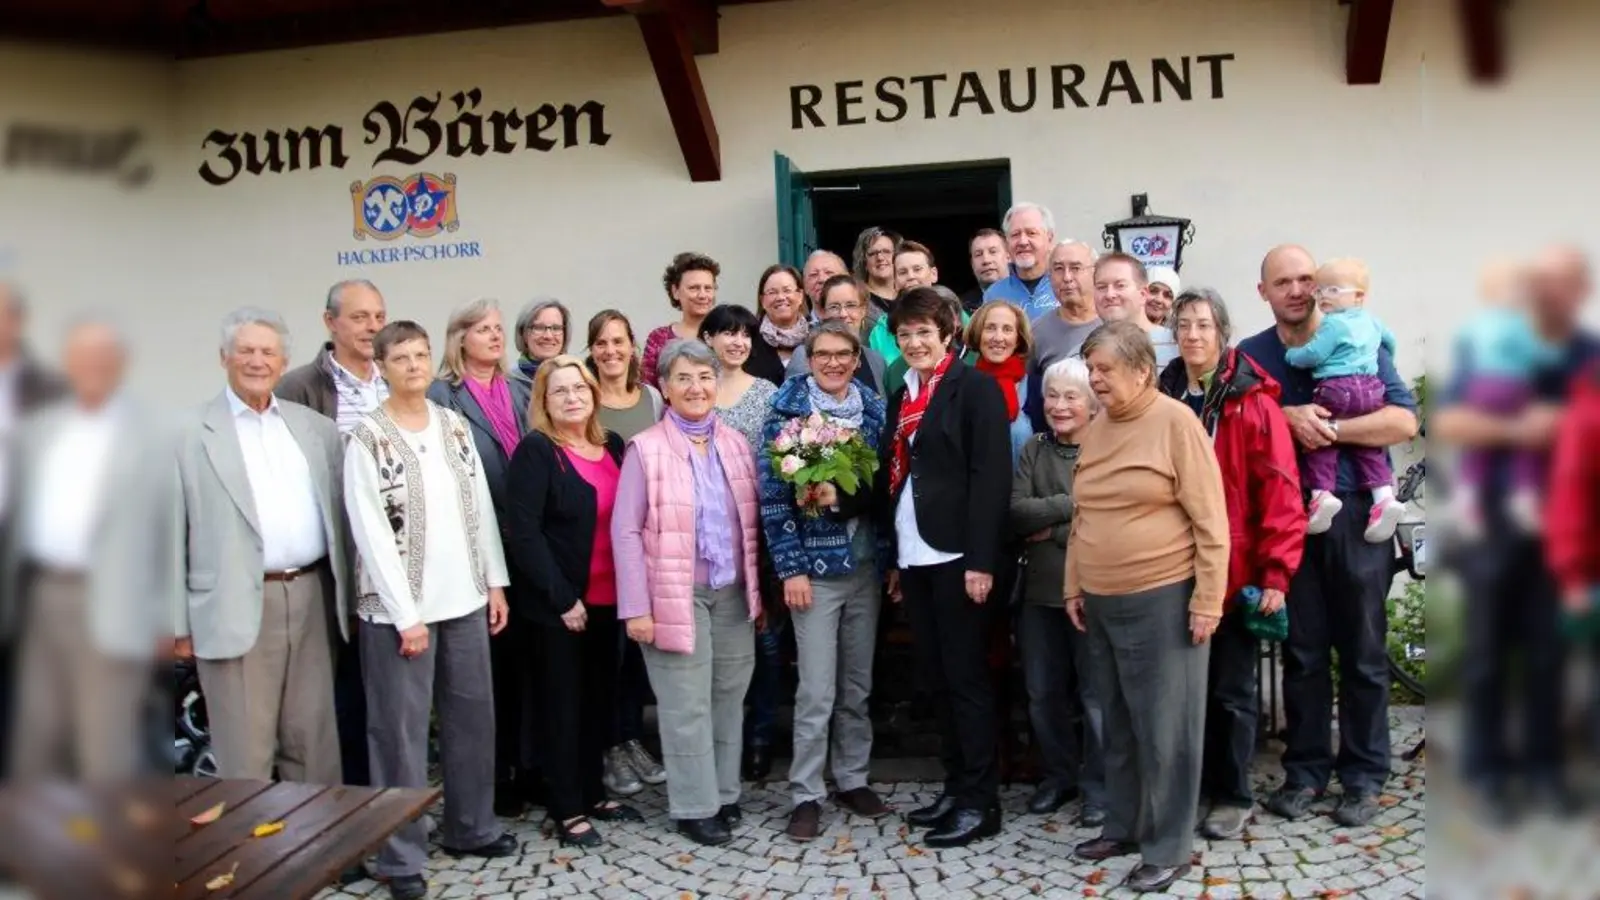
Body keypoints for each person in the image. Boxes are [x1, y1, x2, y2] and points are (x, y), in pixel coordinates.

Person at [1240, 245, 1419, 827]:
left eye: (1305, 280)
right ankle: (1307, 773)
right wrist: (1285, 419)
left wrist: (1333, 428)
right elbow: (1240, 431)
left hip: (1359, 518)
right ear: (1263, 291)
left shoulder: (1357, 335)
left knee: (1364, 654)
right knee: (1303, 654)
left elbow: (1402, 419)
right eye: (1282, 282)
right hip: (1288, 523)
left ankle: (1364, 776)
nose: (1296, 290)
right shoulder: (1252, 355)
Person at [345, 321, 515, 900]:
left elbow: (480, 507)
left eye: (421, 355)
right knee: (399, 734)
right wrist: (404, 613)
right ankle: (399, 855)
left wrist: (494, 581)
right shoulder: (368, 438)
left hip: (464, 596)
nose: (414, 365)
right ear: (382, 365)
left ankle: (472, 826)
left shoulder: (453, 426)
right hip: (400, 613)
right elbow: (368, 531)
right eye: (401, 357)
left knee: (472, 721)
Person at [1065, 320, 1228, 894]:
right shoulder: (1099, 426)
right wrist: (1073, 583)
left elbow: (1212, 520)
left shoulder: (1176, 422)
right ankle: (1126, 825)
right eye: (1091, 370)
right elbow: (1083, 513)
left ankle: (1170, 846)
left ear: (1142, 369)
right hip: (1101, 598)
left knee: (1166, 729)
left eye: (1105, 369)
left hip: (1164, 595)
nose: (1095, 380)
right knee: (1116, 723)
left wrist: (1208, 598)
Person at [1437, 245, 1598, 818]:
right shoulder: (1491, 342)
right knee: (1485, 654)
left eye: (1564, 283)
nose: (1551, 293)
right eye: (1543, 282)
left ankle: (1546, 770)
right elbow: (1450, 418)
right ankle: (1487, 773)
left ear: (1580, 290)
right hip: (1497, 521)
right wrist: (1518, 430)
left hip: (1569, 523)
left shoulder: (1589, 353)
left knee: (1549, 655)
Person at [175, 308, 351, 788]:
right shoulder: (187, 433)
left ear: (283, 360)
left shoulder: (315, 429)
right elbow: (168, 532)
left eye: (267, 352)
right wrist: (176, 624)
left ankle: (321, 854)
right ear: (223, 357)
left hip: (313, 595)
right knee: (246, 751)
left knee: (313, 739)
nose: (257, 361)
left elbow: (339, 517)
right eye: (246, 350)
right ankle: (250, 858)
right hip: (234, 603)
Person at [1158, 288, 1306, 839]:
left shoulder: (1251, 401)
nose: (1193, 335)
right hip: (1172, 566)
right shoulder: (1164, 394)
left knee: (1230, 689)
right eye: (1184, 325)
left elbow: (1281, 491)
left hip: (1236, 566)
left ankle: (1233, 792)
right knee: (1182, 690)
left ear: (1222, 333)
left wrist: (1275, 573)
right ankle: (1191, 786)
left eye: (1203, 325)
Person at [3, 317, 171, 779]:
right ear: (67, 364)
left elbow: (167, 529)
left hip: (113, 600)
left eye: (102, 359)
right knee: (36, 741)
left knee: (104, 747)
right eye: (82, 358)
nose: (92, 368)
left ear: (121, 365)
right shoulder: (39, 431)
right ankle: (34, 851)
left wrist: (164, 617)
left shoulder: (151, 435)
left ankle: (105, 849)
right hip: (41, 595)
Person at [612, 339, 763, 847]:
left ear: (716, 385)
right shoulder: (646, 449)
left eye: (704, 377)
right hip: (674, 594)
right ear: (664, 387)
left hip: (732, 592)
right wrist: (637, 607)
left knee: (727, 697)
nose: (696, 388)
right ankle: (694, 806)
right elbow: (625, 531)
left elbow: (752, 525)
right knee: (685, 703)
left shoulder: (736, 443)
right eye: (683, 378)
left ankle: (723, 792)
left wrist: (759, 594)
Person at [883, 287, 1011, 848]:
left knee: (966, 680)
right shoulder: (901, 392)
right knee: (935, 678)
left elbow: (991, 479)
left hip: (960, 556)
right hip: (915, 551)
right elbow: (901, 475)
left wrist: (982, 561)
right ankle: (957, 787)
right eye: (904, 333)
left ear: (947, 334)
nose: (914, 342)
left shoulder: (974, 387)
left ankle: (981, 802)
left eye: (923, 332)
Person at [759, 321, 891, 841]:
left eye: (844, 355)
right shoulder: (788, 413)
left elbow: (885, 486)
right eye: (823, 355)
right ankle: (806, 792)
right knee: (815, 689)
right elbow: (774, 499)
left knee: (856, 686)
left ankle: (852, 777)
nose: (833, 363)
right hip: (813, 572)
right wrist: (789, 567)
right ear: (808, 360)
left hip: (866, 567)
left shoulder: (875, 410)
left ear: (858, 360)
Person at [504, 355, 643, 847]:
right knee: (562, 707)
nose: (572, 397)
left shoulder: (614, 446)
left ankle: (594, 791)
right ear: (543, 400)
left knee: (600, 703)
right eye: (560, 390)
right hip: (560, 606)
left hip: (611, 600)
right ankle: (566, 807)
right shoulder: (537, 452)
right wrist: (562, 598)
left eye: (580, 388)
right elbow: (523, 533)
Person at [275, 278, 387, 793]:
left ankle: (395, 790)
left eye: (378, 317)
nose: (372, 328)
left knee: (390, 683)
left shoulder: (397, 377)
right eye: (360, 317)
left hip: (397, 551)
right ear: (330, 322)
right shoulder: (300, 387)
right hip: (341, 555)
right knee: (347, 689)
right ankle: (355, 797)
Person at [426, 298, 535, 816]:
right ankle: (495, 776)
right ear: (459, 337)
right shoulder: (441, 396)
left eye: (498, 328)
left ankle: (527, 764)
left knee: (524, 666)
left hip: (525, 543)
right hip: (477, 545)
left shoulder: (520, 389)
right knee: (486, 670)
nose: (495, 336)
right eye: (483, 329)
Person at [1007, 357, 1104, 823]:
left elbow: (1108, 515)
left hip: (1092, 591)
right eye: (1052, 396)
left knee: (1095, 695)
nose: (1059, 406)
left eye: (1071, 397)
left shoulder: (1106, 449)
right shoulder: (1034, 449)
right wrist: (1073, 507)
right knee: (1042, 693)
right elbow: (1019, 514)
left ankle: (1100, 787)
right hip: (1040, 592)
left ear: (1092, 403)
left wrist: (1057, 528)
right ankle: (1058, 777)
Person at [583, 309, 669, 794]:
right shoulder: (586, 398)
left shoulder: (653, 398)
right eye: (601, 343)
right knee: (607, 655)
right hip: (601, 539)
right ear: (591, 350)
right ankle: (610, 747)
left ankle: (634, 738)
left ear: (633, 346)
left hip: (648, 539)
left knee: (637, 653)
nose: (611, 351)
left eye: (619, 341)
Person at [699, 305, 783, 778]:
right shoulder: (695, 392)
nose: (737, 342)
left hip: (759, 532)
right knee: (718, 644)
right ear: (708, 338)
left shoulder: (768, 394)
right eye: (727, 333)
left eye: (745, 334)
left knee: (766, 641)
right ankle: (719, 739)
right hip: (709, 539)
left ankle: (759, 736)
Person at [1283, 258, 1406, 541]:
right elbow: (1390, 341)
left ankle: (1321, 495)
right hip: (1371, 389)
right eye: (1321, 290)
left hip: (1338, 389)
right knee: (1369, 443)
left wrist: (1291, 354)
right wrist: (1379, 357)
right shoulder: (1373, 322)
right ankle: (1384, 498)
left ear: (1359, 296)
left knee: (1320, 440)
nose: (1324, 296)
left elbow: (1313, 354)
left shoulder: (1333, 324)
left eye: (1333, 290)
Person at [1444, 259, 1559, 538]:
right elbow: (1535, 352)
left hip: (1481, 389)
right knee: (1525, 442)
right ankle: (1524, 493)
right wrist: (1553, 355)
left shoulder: (1473, 326)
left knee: (1478, 448)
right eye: (1518, 290)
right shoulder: (1516, 323)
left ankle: (1466, 493)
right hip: (1512, 388)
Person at [786, 275, 888, 393]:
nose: (843, 314)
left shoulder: (876, 360)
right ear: (823, 313)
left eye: (851, 305)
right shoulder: (803, 356)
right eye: (834, 307)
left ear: (863, 310)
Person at [965, 301, 1034, 464]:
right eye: (990, 328)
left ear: (1018, 339)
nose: (998, 337)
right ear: (978, 334)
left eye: (1007, 329)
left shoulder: (1035, 389)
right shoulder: (961, 386)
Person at [642, 252, 720, 389]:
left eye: (708, 288)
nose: (702, 295)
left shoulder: (726, 337)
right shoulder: (659, 338)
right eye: (694, 288)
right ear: (675, 291)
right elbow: (648, 389)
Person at [1093, 252, 1179, 368]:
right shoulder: (1084, 351)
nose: (1109, 294)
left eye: (1120, 285)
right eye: (1101, 287)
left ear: (1143, 294)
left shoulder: (1177, 346)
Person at [983, 202, 1059, 321]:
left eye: (1031, 233)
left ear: (1049, 239)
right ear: (1007, 242)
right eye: (1015, 234)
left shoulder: (1066, 285)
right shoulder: (993, 295)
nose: (1023, 241)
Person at [747, 265, 810, 385]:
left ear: (800, 296)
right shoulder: (748, 340)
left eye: (787, 290)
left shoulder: (817, 338)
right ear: (762, 301)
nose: (780, 297)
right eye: (772, 292)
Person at [512, 297, 571, 385]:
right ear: (523, 333)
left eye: (556, 328)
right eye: (539, 328)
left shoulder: (577, 380)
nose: (548, 336)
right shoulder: (506, 384)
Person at [851, 226, 901, 331]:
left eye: (886, 251)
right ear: (864, 261)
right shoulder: (856, 299)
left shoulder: (908, 296)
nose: (880, 258)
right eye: (873, 253)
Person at [961, 228, 1010, 313]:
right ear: (972, 264)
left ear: (1009, 257)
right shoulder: (962, 308)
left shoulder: (1030, 297)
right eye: (978, 254)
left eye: (993, 252)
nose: (986, 260)